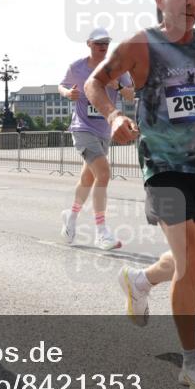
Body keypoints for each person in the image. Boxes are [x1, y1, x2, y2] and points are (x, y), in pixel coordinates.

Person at [86, 0, 195, 389]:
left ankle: (140, 280)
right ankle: (192, 364)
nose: (191, 2)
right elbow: (96, 82)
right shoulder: (140, 45)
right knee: (189, 262)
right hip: (163, 166)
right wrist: (114, 116)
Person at [59, 27, 134, 250]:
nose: (103, 46)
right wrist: (67, 93)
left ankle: (70, 217)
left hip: (104, 130)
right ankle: (102, 232)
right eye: (99, 43)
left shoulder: (117, 68)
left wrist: (116, 85)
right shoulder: (78, 67)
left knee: (87, 180)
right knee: (103, 173)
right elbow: (61, 85)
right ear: (89, 44)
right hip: (82, 128)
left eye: (106, 43)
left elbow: (130, 95)